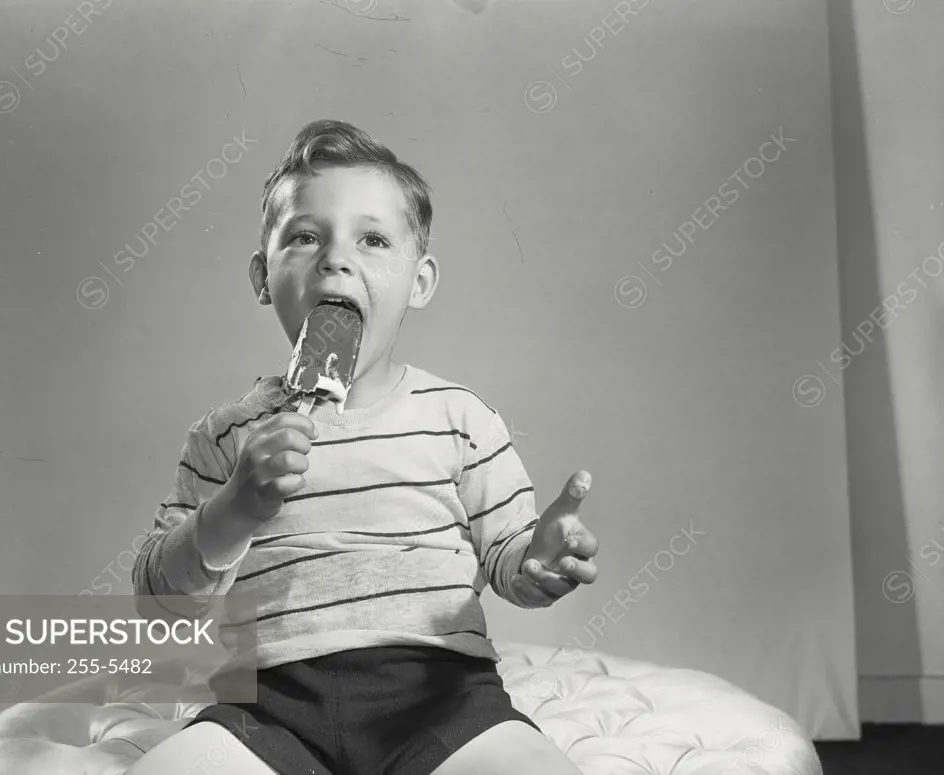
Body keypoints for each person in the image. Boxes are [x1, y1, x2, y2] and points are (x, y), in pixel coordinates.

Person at [130, 119, 599, 775]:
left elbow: (510, 560)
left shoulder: (459, 418)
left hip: (441, 698)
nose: (335, 257)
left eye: (373, 239)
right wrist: (235, 506)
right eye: (304, 236)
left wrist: (540, 560)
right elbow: (160, 602)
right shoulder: (226, 436)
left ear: (420, 281)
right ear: (263, 276)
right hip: (267, 705)